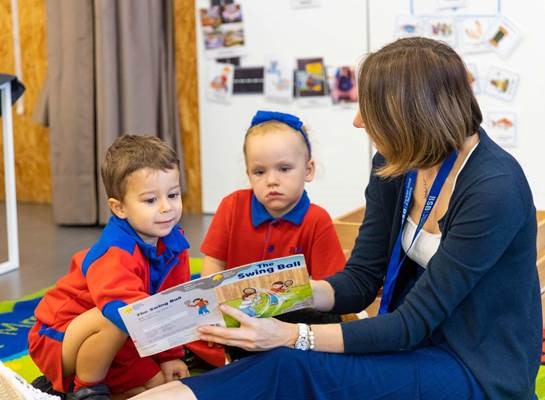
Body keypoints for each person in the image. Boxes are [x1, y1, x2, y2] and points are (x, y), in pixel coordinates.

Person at [130, 37, 542, 400]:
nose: (358, 120)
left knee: (288, 362)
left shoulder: (494, 188)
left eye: (370, 108)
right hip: (416, 338)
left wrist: (293, 334)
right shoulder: (397, 164)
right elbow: (361, 280)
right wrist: (273, 294)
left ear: (412, 115)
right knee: (280, 358)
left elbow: (409, 324)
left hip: (476, 366)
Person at [27, 135, 192, 400]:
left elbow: (171, 304)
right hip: (59, 337)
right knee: (125, 316)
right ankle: (85, 389)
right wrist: (148, 369)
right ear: (119, 208)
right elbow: (125, 316)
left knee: (155, 390)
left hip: (120, 335)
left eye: (173, 195)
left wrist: (170, 356)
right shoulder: (115, 253)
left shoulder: (175, 243)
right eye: (150, 200)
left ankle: (60, 390)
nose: (166, 207)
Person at [200, 110, 346, 281]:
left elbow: (331, 286)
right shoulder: (232, 206)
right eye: (259, 172)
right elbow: (213, 266)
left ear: (308, 170)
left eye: (284, 169)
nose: (271, 180)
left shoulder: (317, 220)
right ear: (249, 175)